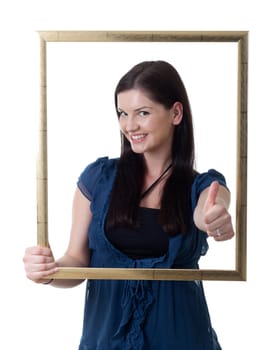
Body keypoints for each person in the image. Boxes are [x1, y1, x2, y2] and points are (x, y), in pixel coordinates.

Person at [23, 60, 234, 350]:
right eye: (122, 113)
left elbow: (212, 203)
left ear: (176, 113)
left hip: (182, 340)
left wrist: (212, 217)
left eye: (142, 113)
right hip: (105, 341)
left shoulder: (201, 185)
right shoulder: (98, 179)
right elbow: (77, 261)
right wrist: (48, 272)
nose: (129, 125)